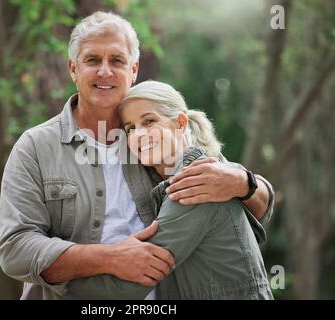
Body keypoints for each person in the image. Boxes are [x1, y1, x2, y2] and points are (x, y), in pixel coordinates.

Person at [0, 11, 274, 300]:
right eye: (93, 60)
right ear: (73, 69)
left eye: (116, 60)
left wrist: (244, 182)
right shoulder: (35, 148)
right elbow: (14, 248)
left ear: (133, 70)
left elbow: (251, 208)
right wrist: (109, 258)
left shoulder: (160, 138)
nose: (105, 71)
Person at [65, 80, 273, 299]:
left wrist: (57, 279)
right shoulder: (176, 173)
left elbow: (138, 277)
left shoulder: (195, 180)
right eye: (131, 128)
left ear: (181, 123)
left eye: (149, 121)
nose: (139, 135)